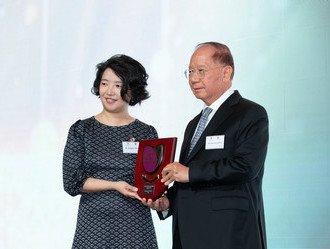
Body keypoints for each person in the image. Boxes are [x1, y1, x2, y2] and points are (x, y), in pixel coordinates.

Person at [143, 42, 269, 249]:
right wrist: (167, 203)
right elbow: (186, 178)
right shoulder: (194, 124)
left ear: (226, 72)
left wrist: (189, 172)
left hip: (228, 234)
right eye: (190, 72)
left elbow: (246, 167)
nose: (193, 79)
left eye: (201, 71)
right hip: (188, 233)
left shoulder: (250, 113)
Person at [63, 54, 158, 248]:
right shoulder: (81, 130)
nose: (110, 91)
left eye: (118, 85)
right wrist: (114, 185)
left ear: (132, 90)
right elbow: (71, 182)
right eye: (105, 84)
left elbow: (152, 181)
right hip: (93, 225)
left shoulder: (146, 133)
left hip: (135, 225)